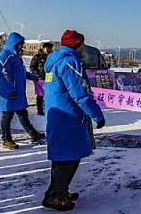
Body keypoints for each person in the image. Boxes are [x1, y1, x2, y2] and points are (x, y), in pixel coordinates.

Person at [42, 30, 106, 211]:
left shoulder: (55, 60)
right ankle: (54, 196)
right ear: (77, 45)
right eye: (82, 45)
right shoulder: (70, 62)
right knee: (68, 158)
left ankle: (61, 190)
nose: (83, 48)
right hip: (67, 116)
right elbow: (80, 93)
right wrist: (97, 115)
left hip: (58, 115)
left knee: (62, 157)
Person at [0, 32, 45, 150]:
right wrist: (10, 90)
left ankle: (34, 134)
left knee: (23, 114)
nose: (21, 47)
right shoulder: (4, 55)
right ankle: (6, 140)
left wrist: (33, 76)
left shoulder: (16, 57)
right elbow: (3, 75)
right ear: (14, 43)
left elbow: (21, 73)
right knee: (7, 116)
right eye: (20, 44)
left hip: (18, 93)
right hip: (9, 93)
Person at [30, 42, 54, 116]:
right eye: (48, 48)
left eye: (50, 48)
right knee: (40, 95)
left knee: (49, 94)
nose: (49, 50)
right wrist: (37, 74)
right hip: (39, 79)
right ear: (43, 48)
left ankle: (48, 108)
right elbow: (32, 67)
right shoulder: (37, 56)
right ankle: (39, 110)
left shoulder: (52, 57)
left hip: (49, 78)